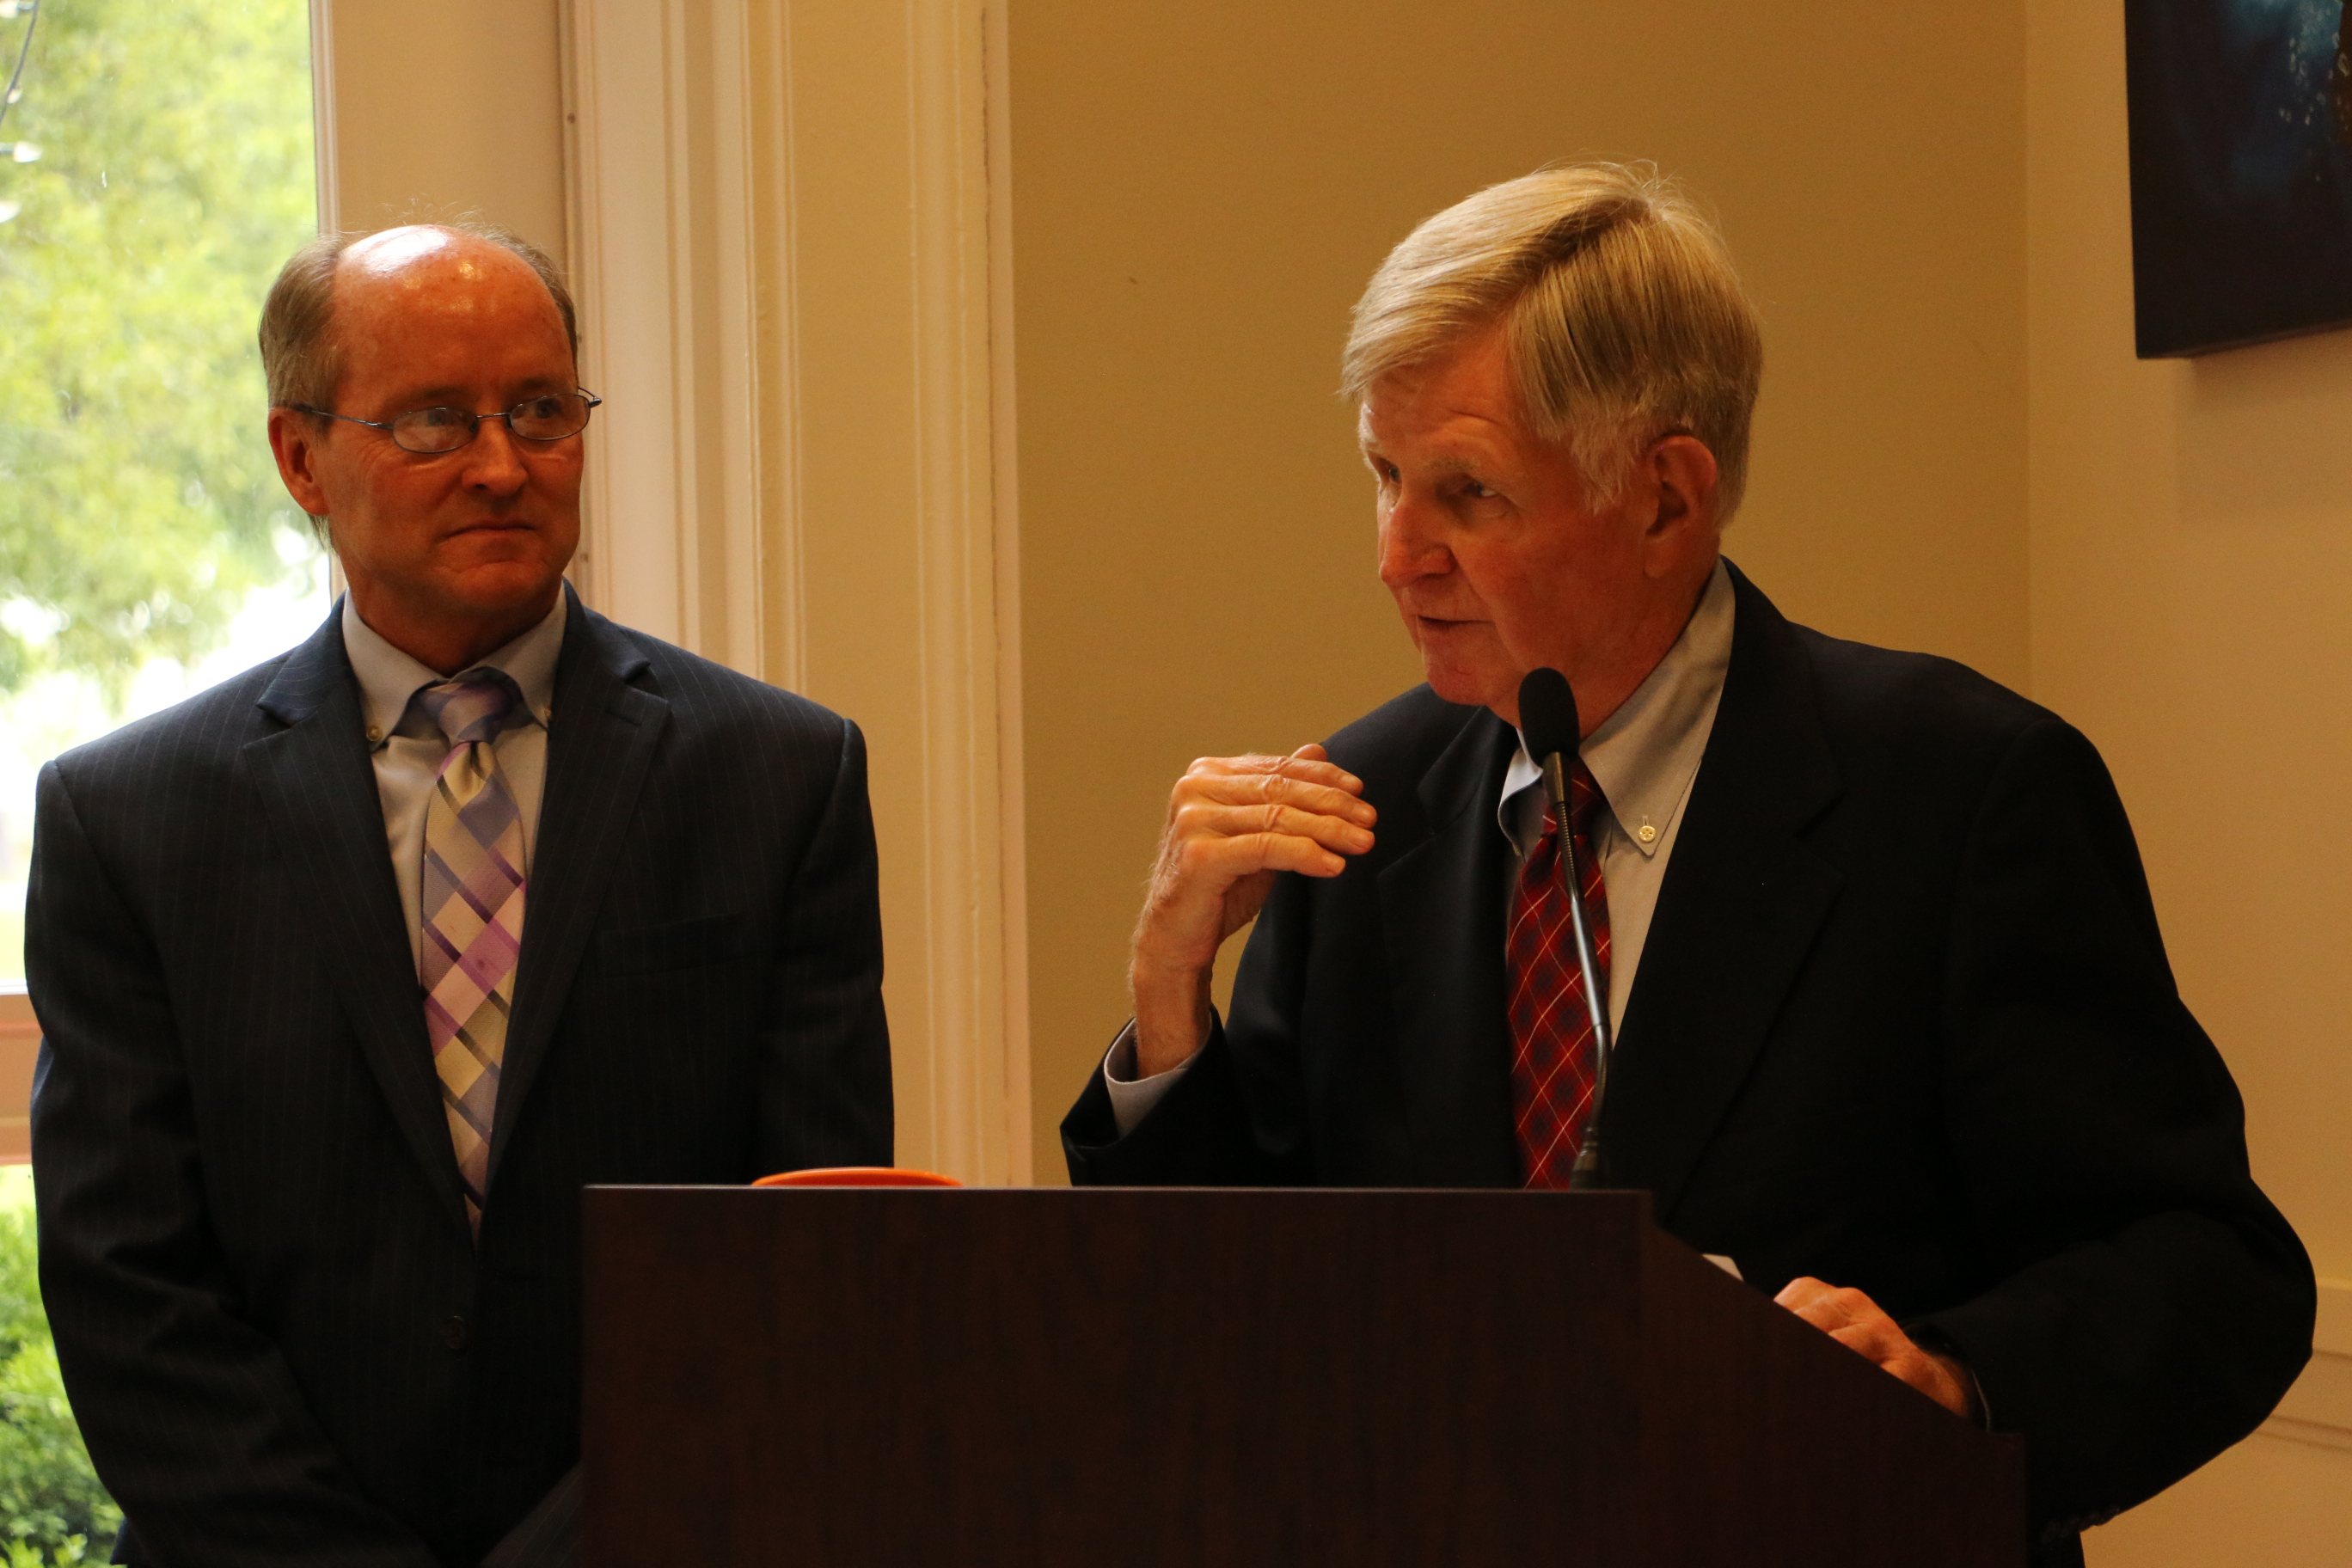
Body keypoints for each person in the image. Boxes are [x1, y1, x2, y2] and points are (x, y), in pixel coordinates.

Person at [1060, 164, 2312, 1565]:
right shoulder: (1364, 804)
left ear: (1667, 498)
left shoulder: (1960, 793)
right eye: (1385, 479)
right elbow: (1229, 1327)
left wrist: (1953, 1381)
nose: (1400, 558)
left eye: (1468, 492)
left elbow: (2207, 1269)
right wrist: (1167, 1004)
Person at [28, 223, 893, 1567]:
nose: (501, 465)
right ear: (301, 458)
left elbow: (802, 1267)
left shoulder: (781, 778)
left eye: (540, 410)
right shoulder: (128, 819)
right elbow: (127, 1287)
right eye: (434, 420)